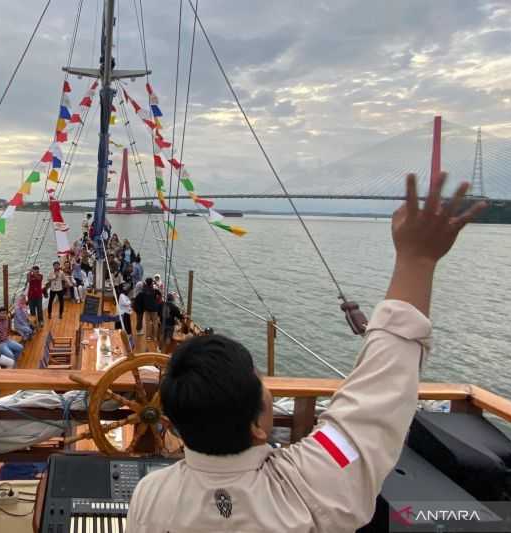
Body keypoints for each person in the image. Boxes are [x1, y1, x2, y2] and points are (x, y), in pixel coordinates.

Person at [126, 173, 486, 532]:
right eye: (260, 381)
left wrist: (415, 260)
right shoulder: (313, 482)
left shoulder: (150, 497)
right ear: (257, 428)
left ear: (171, 421)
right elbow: (377, 400)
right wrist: (417, 260)